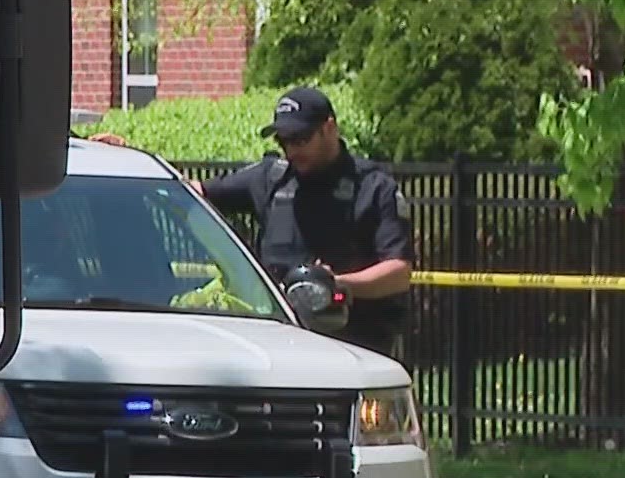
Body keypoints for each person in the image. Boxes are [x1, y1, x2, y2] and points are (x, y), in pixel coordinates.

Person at [108, 87, 418, 360]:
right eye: (284, 141)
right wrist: (131, 157)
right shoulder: (270, 178)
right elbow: (189, 194)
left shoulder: (372, 187)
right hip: (278, 344)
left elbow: (399, 272)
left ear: (330, 129)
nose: (292, 150)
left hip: (354, 343)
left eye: (301, 139)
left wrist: (338, 285)